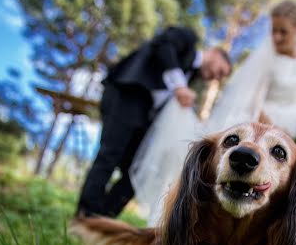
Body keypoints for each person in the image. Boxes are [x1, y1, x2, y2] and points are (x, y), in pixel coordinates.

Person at [131, 0, 296, 245]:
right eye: (273, 31)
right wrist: (281, 139)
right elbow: (255, 105)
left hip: (291, 134)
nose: (276, 38)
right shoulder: (268, 60)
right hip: (269, 128)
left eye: (284, 32)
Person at [76, 26, 231, 217]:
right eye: (221, 71)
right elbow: (164, 45)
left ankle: (104, 217)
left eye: (221, 77)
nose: (216, 77)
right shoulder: (187, 39)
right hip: (128, 94)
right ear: (215, 54)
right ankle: (85, 213)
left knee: (138, 169)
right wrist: (179, 86)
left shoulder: (191, 78)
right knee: (110, 154)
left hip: (144, 115)